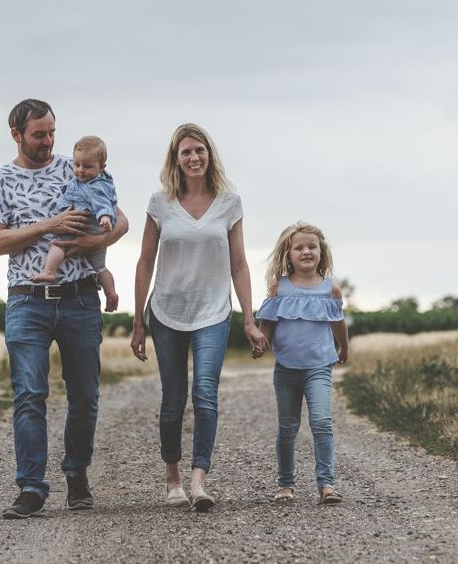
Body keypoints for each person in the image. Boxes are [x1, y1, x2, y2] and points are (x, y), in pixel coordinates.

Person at [0, 99, 128, 519]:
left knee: (85, 395)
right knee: (29, 393)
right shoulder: (0, 180)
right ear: (16, 135)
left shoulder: (78, 167)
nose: (47, 142)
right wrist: (49, 226)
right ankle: (30, 487)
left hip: (80, 297)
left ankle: (77, 475)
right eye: (38, 135)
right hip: (27, 300)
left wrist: (89, 243)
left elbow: (120, 223)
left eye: (51, 133)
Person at [128, 123, 267, 513]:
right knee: (173, 399)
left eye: (200, 151)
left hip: (213, 312)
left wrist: (249, 320)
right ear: (176, 158)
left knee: (205, 393)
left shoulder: (229, 202)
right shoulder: (160, 203)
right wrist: (138, 321)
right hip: (167, 313)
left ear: (210, 155)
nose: (194, 157)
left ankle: (198, 480)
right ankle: (172, 478)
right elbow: (144, 264)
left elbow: (239, 264)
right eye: (186, 152)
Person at [253, 221, 350, 505]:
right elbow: (268, 322)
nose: (306, 251)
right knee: (288, 426)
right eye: (299, 248)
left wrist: (343, 346)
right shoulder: (278, 287)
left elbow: (338, 322)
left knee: (321, 421)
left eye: (312, 247)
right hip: (286, 368)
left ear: (322, 252)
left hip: (319, 366)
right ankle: (285, 484)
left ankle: (327, 484)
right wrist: (261, 342)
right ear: (288, 254)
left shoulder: (330, 288)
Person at [31, 135, 121, 312]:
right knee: (100, 267)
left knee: (58, 243)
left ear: (101, 167)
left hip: (83, 225)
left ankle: (49, 271)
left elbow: (103, 204)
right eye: (76, 165)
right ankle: (111, 293)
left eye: (87, 167)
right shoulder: (90, 180)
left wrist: (105, 218)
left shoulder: (96, 186)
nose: (80, 170)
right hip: (96, 233)